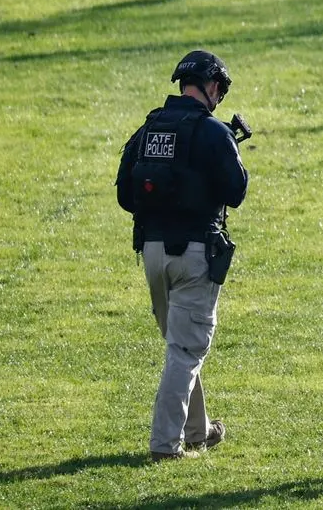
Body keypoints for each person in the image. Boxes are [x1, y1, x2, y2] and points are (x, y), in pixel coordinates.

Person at [116, 50, 248, 462]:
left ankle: (199, 432)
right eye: (220, 90)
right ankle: (165, 445)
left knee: (180, 346)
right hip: (195, 256)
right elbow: (237, 192)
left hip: (152, 254)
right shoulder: (212, 132)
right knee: (185, 351)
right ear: (211, 86)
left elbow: (124, 194)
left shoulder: (149, 127)